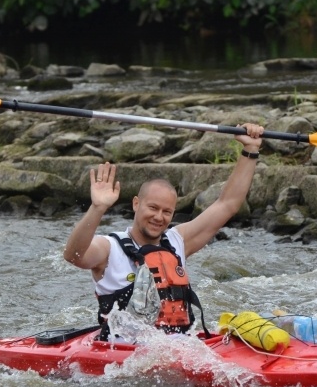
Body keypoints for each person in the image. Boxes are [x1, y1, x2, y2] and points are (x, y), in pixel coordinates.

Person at [63, 123, 265, 339]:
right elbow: (74, 256)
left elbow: (228, 204)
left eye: (167, 211)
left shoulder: (178, 242)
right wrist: (98, 208)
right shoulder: (109, 248)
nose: (159, 217)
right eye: (153, 208)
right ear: (136, 204)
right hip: (123, 353)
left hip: (179, 347)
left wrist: (250, 150)